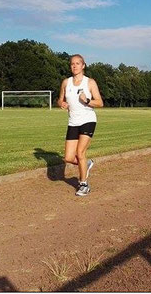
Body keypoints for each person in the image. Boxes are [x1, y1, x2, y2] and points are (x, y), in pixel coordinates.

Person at [58, 54, 103, 196]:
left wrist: (87, 100)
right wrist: (62, 103)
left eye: (78, 63)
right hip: (73, 122)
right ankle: (87, 164)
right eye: (72, 63)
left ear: (83, 65)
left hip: (88, 120)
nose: (75, 66)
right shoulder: (66, 82)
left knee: (80, 152)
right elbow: (60, 99)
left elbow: (100, 103)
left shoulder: (90, 82)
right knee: (69, 158)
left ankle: (84, 184)